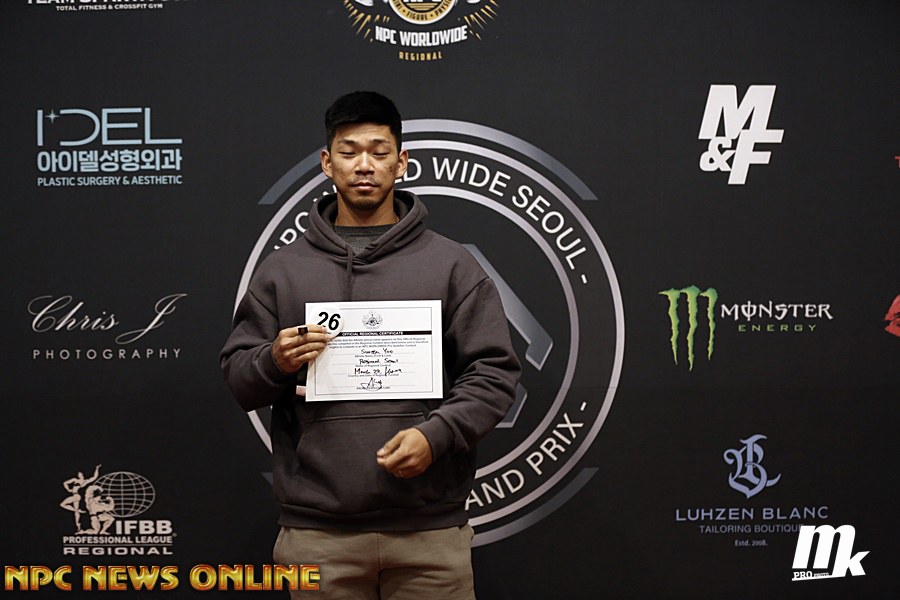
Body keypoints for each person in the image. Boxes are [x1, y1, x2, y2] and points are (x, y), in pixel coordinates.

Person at [220, 91, 520, 599]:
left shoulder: (451, 265)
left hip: (429, 533)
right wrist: (274, 360)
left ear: (401, 163)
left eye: (380, 152)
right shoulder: (283, 271)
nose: (364, 165)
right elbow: (238, 377)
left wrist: (437, 435)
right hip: (318, 534)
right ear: (327, 163)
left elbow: (493, 374)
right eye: (349, 151)